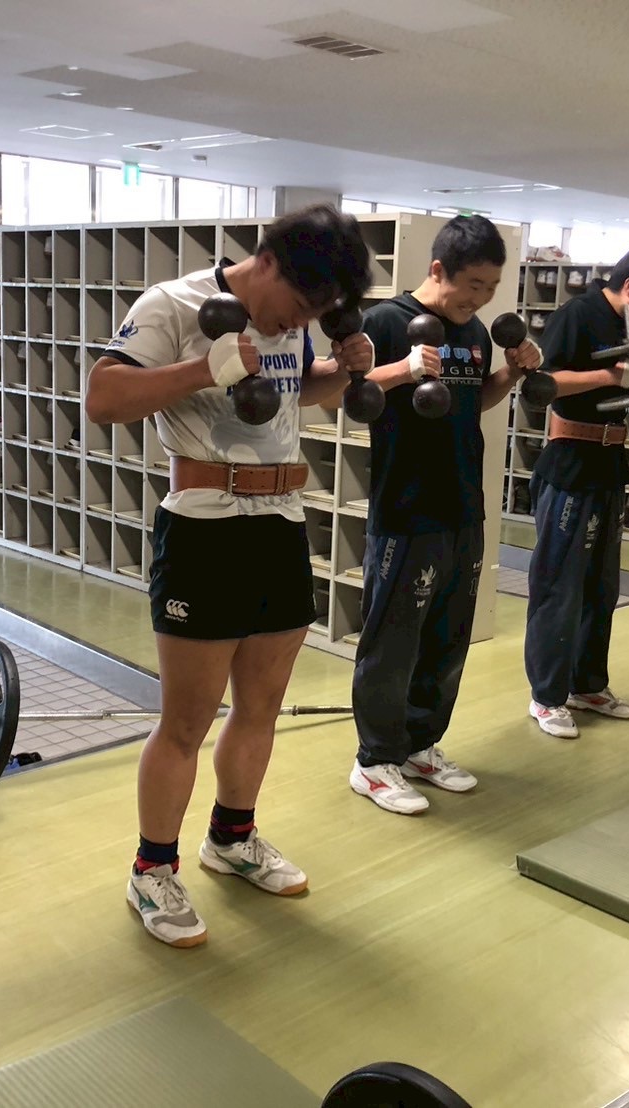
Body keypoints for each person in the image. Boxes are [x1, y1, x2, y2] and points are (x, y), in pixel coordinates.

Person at [87, 203, 373, 947]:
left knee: (261, 706)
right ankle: (152, 869)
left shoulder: (292, 323)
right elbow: (103, 398)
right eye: (299, 305)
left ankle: (232, 838)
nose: (297, 322)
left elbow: (290, 391)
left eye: (314, 315)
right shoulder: (174, 304)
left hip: (280, 523)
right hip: (204, 529)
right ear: (268, 262)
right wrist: (202, 368)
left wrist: (339, 371)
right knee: (185, 721)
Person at [342, 215, 541, 814]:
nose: (480, 298)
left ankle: (419, 745)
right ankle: (375, 761)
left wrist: (511, 373)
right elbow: (351, 398)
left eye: (490, 288)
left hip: (463, 503)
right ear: (437, 270)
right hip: (406, 508)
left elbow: (473, 400)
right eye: (472, 284)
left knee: (447, 635)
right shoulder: (387, 322)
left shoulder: (475, 331)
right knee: (393, 639)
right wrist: (405, 369)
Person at [523, 245, 629, 739]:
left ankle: (588, 684)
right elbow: (543, 383)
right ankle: (547, 696)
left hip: (611, 464)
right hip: (571, 464)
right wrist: (612, 374)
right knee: (560, 586)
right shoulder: (579, 314)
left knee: (601, 587)